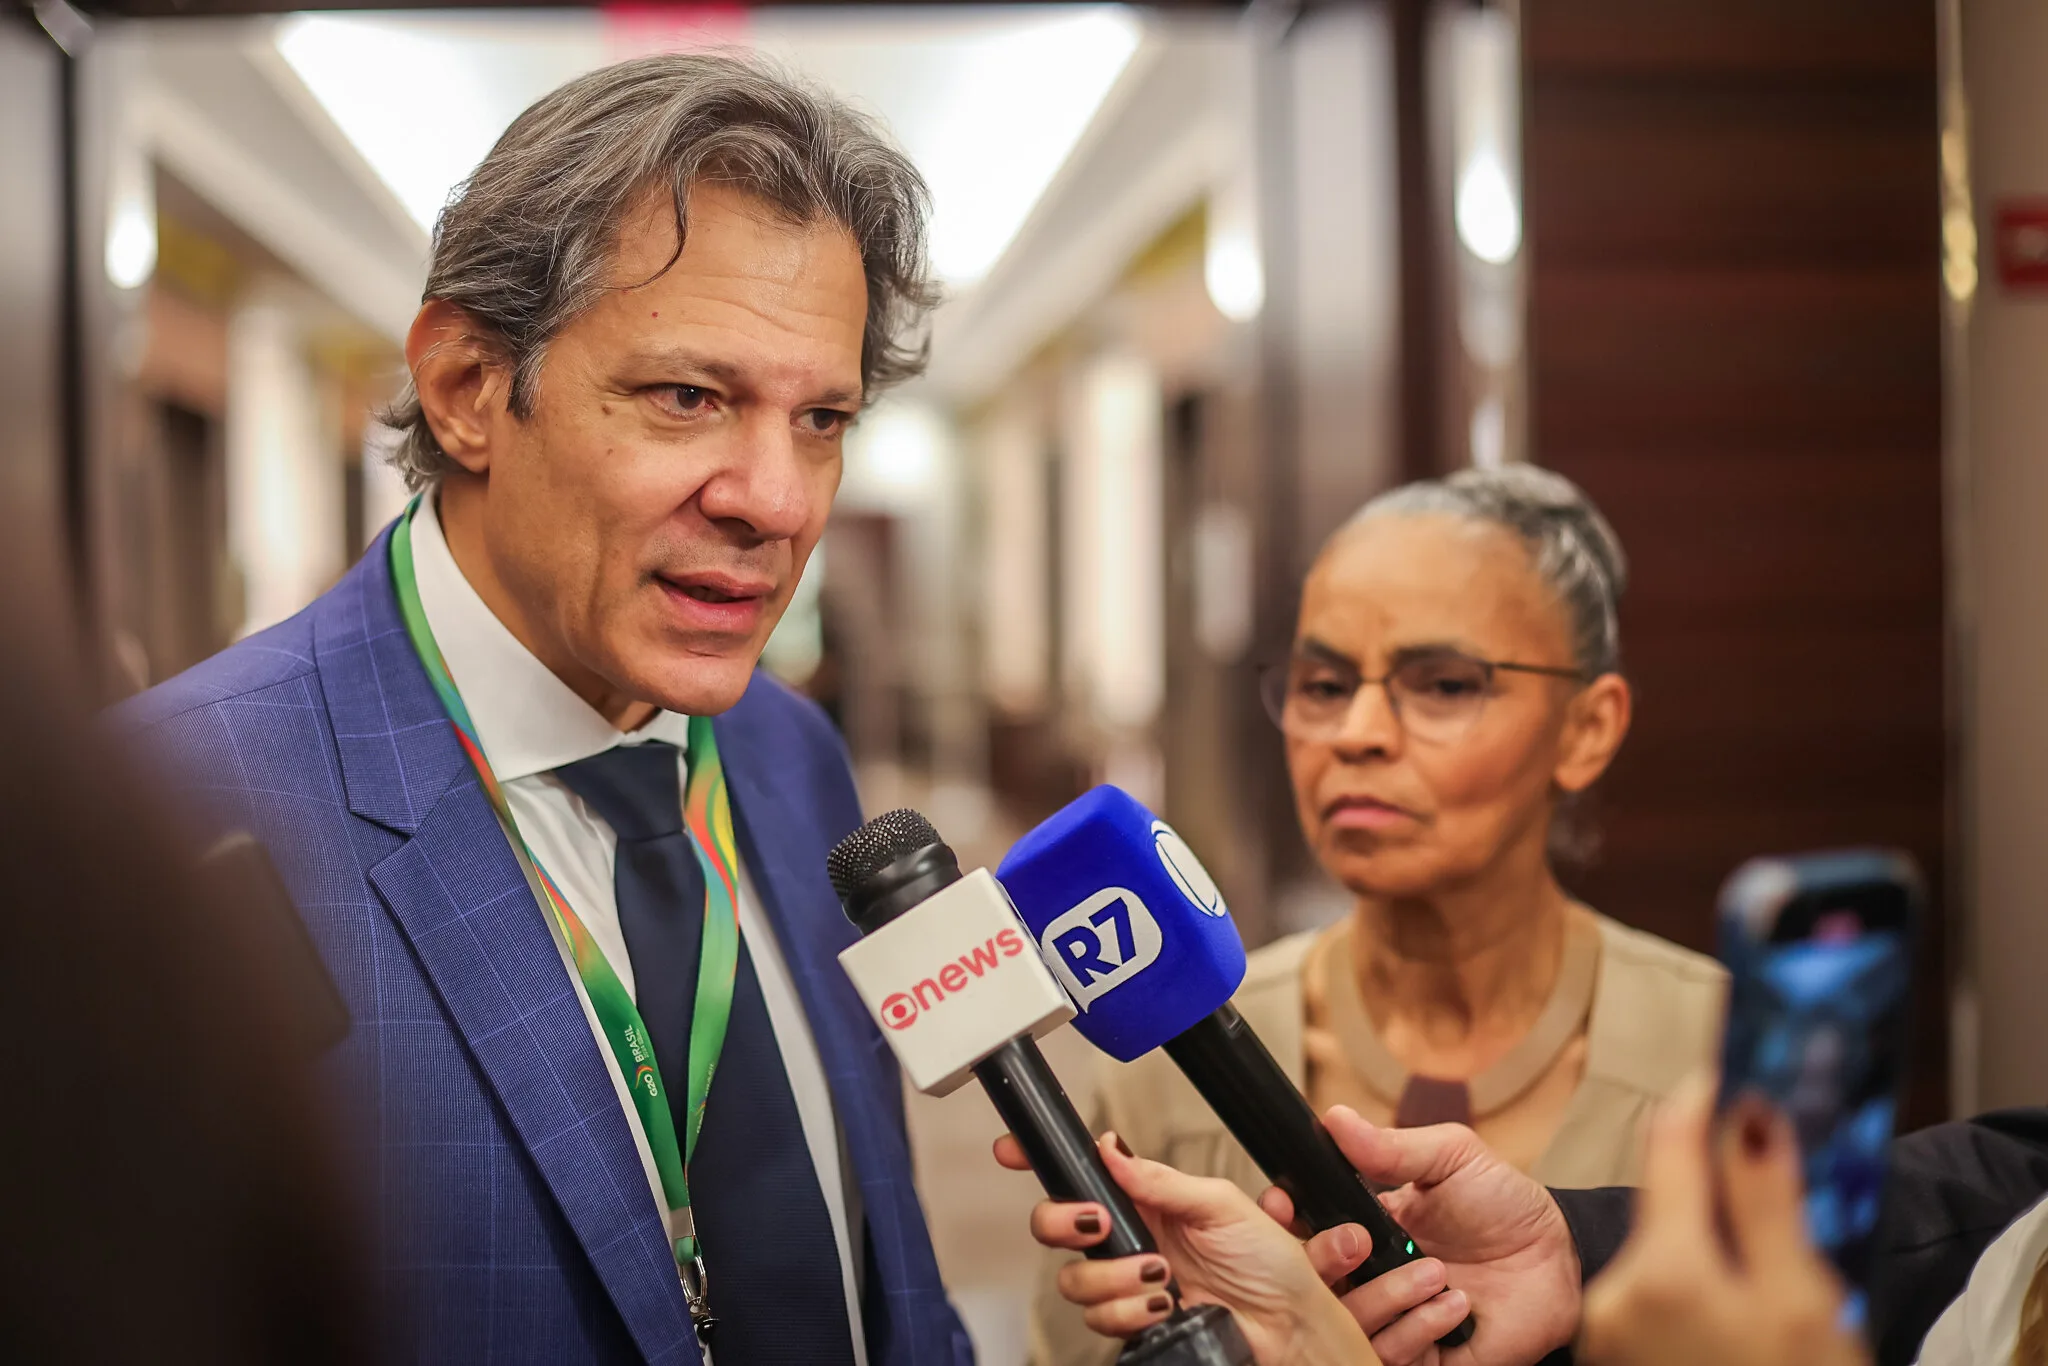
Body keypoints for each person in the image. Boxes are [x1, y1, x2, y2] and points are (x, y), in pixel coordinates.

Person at [115, 53, 970, 1366]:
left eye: (822, 418)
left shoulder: (792, 757)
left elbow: (880, 1271)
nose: (779, 500)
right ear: (465, 387)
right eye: (690, 397)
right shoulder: (173, 817)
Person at [1036, 465, 1726, 1363]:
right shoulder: (1167, 1068)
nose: (1356, 731)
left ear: (1587, 728)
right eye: (1323, 685)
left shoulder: (1724, 1050)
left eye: (1443, 684)